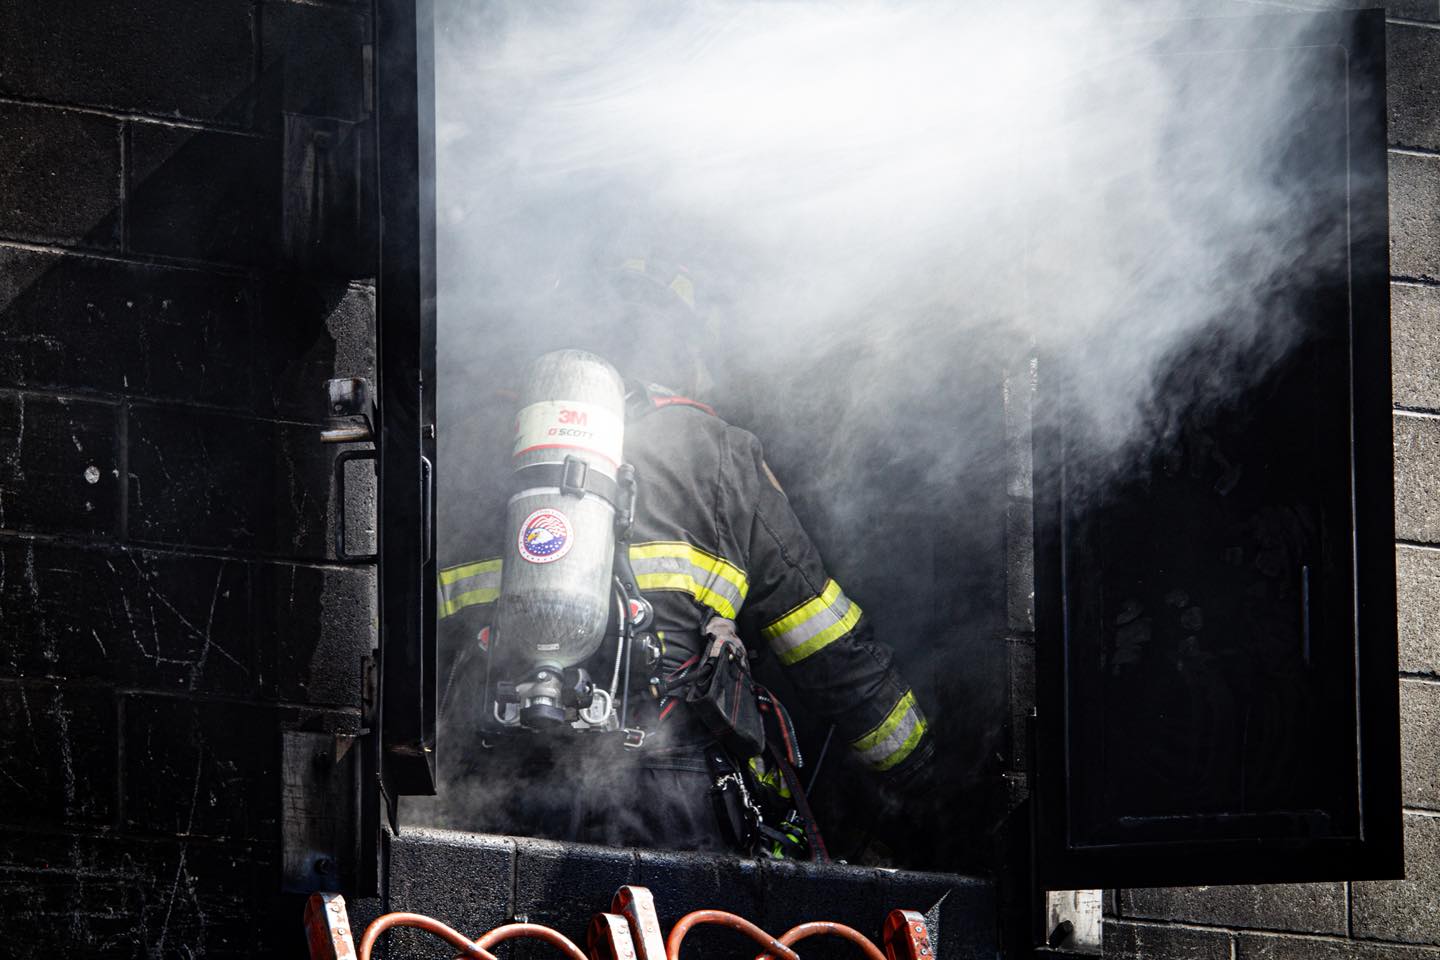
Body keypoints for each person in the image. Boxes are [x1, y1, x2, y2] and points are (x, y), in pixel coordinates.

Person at [434, 256, 934, 858]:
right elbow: (820, 635)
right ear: (678, 341)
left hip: (492, 787)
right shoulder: (718, 451)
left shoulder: (473, 445)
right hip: (668, 793)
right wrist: (915, 769)